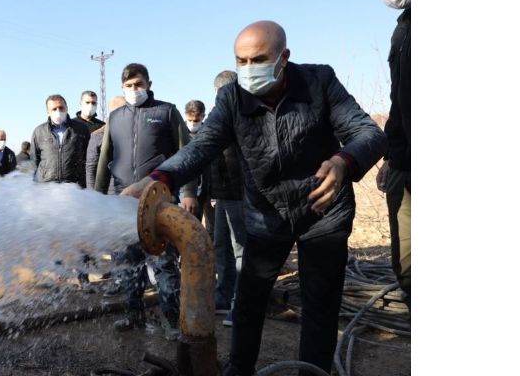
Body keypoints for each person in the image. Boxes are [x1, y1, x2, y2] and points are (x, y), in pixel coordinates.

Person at [121, 21, 387, 375]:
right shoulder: (231, 97)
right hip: (266, 218)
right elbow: (201, 147)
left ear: (284, 57)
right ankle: (240, 369)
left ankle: (312, 371)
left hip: (324, 214)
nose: (248, 70)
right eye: (241, 61)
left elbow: (368, 132)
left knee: (320, 305)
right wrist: (159, 178)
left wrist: (344, 161)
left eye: (259, 59)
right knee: (248, 303)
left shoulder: (320, 82)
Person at [94, 63, 198, 341]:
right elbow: (105, 159)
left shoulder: (166, 112)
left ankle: (171, 319)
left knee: (164, 264)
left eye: (139, 84)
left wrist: (188, 191)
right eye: (129, 86)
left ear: (149, 84)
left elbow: (187, 153)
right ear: (122, 88)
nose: (134, 90)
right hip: (123, 201)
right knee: (129, 263)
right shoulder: (115, 117)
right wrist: (97, 197)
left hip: (160, 201)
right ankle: (133, 314)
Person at [374, 0, 411, 307]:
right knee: (408, 263)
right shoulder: (404, 28)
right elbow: (400, 102)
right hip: (404, 160)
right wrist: (391, 155)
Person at [208, 70, 248, 326]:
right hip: (222, 195)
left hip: (239, 193)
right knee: (220, 245)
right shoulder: (219, 116)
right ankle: (223, 295)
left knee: (240, 250)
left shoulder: (243, 115)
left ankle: (241, 304)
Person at [30, 94, 90, 187]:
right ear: (48, 111)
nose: (58, 111)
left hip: (73, 187)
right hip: (46, 186)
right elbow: (34, 161)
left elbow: (88, 157)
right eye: (54, 109)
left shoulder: (80, 129)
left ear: (66, 108)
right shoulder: (39, 131)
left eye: (61, 108)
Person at [184, 99, 214, 238]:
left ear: (203, 116)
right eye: (190, 120)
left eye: (196, 120)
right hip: (186, 187)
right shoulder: (180, 132)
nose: (193, 124)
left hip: (208, 183)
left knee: (210, 223)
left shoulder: (210, 131)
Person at [86, 96, 125, 190]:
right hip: (109, 190)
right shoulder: (98, 136)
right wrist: (92, 195)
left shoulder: (134, 132)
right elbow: (91, 167)